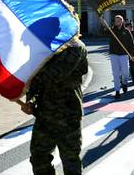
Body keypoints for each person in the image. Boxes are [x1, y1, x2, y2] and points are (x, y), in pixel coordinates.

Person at [21, 39, 88, 175]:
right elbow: (34, 79)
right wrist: (30, 99)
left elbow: (53, 74)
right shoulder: (44, 48)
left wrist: (26, 79)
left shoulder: (76, 47)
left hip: (68, 115)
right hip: (44, 114)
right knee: (38, 158)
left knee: (70, 161)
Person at [109, 15, 134, 99]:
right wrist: (102, 22)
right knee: (115, 73)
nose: (118, 22)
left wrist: (132, 55)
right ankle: (117, 91)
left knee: (125, 73)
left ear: (122, 21)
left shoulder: (127, 31)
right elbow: (103, 31)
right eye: (116, 21)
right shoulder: (111, 30)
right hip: (114, 54)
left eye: (119, 20)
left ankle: (124, 83)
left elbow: (131, 44)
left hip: (124, 54)